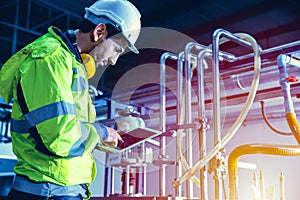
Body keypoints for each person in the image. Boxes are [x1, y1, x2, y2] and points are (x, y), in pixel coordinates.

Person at [0, 0, 141, 199]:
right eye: (117, 49)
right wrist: (101, 133)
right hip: (49, 190)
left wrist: (103, 136)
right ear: (99, 31)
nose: (113, 60)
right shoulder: (49, 60)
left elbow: (71, 128)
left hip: (62, 188)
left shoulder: (71, 64)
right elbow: (59, 136)